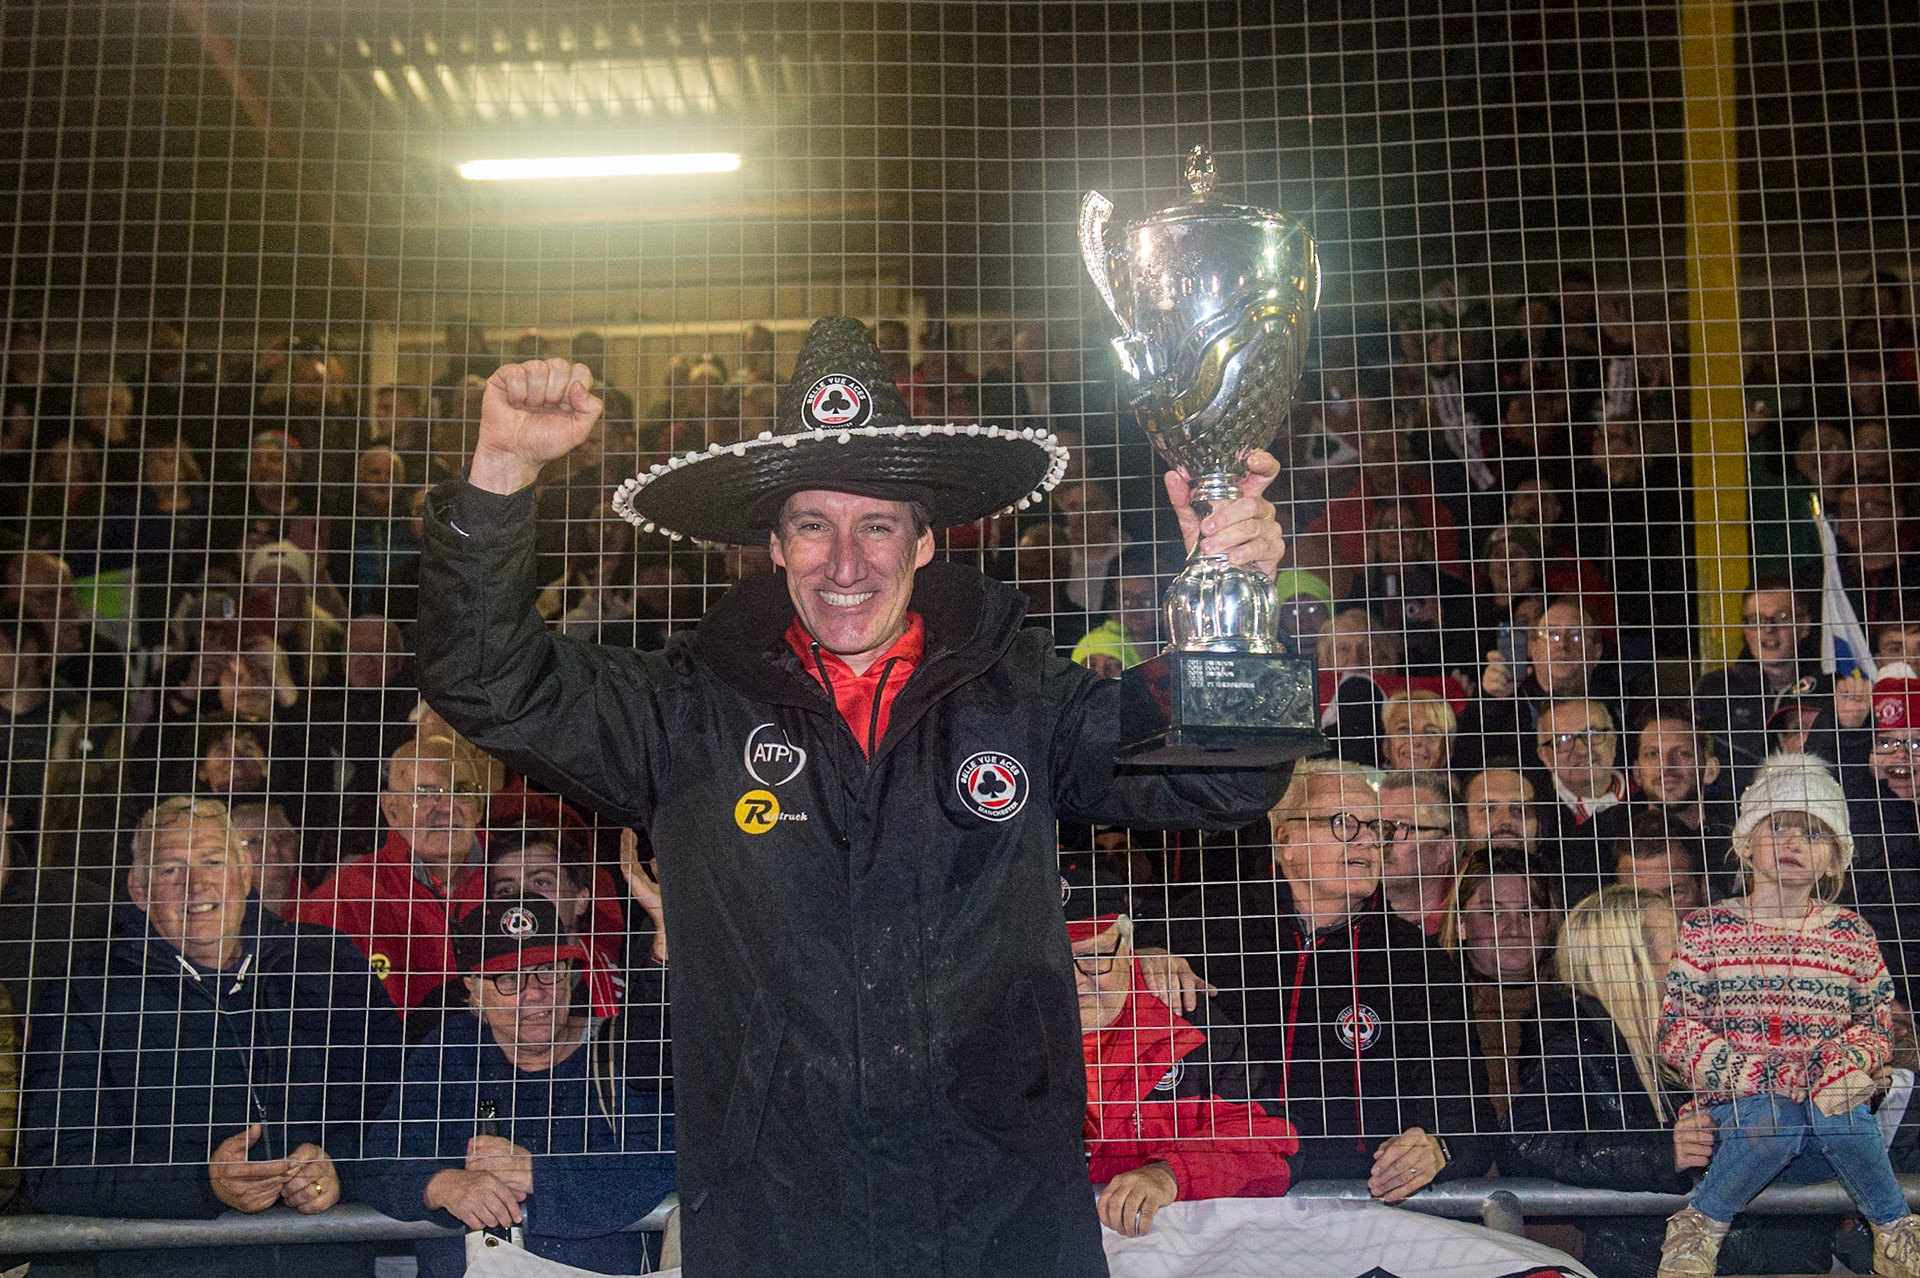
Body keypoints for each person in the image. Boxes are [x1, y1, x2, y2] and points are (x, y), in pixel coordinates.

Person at [412, 320, 1289, 1277]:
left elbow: (1222, 779)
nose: (845, 563)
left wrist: (1240, 611)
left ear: (923, 541)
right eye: (812, 526)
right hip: (776, 1220)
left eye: (876, 524)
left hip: (1002, 1218)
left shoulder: (1025, 692)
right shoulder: (684, 713)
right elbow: (487, 681)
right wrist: (500, 471)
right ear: (775, 547)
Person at [18, 796, 404, 1277]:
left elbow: (401, 1114)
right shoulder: (88, 993)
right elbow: (57, 1166)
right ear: (138, 891)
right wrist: (203, 1182)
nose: (195, 885)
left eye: (213, 862)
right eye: (170, 870)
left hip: (320, 1262)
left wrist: (338, 1169)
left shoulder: (330, 965)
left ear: (247, 875)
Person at [1163, 758, 1490, 1196]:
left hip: (1361, 1207)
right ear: (1285, 841)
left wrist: (1438, 1147)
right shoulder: (1202, 933)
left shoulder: (1418, 963)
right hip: (1214, 1194)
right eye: (1343, 823)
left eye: (1377, 828)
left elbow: (1469, 1113)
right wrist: (1143, 956)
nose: (1367, 842)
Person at [1655, 753, 1920, 1278]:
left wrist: (1848, 1061)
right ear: (1746, 843)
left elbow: (1876, 1023)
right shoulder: (1707, 929)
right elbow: (1677, 1028)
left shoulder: (1852, 934)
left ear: (1833, 861)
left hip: (1831, 1133)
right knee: (1774, 1117)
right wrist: (1758, 1075)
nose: (1794, 842)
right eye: (1777, 826)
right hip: (1742, 1127)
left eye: (1814, 834)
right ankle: (1698, 1227)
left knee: (1836, 1103)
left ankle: (1896, 1232)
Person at [357, 895, 676, 1278]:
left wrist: (538, 1174)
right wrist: (439, 1185)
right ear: (473, 989)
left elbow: (667, 1159)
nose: (535, 992)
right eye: (509, 978)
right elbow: (376, 1159)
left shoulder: (620, 1050)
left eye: (548, 969)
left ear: (571, 973)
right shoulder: (454, 1048)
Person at [1066, 878, 1295, 1239]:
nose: (1075, 979)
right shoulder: (997, 1039)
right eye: (1055, 958)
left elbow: (1270, 1141)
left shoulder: (1190, 1019)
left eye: (1094, 956)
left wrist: (1169, 1173)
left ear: (1129, 949)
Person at [1501, 886, 1701, 1278]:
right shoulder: (1578, 1042)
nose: (1690, 961)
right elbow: (1523, 1140)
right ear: (1630, 962)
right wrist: (1663, 1150)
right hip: (1637, 1261)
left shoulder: (1691, 1036)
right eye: (1674, 947)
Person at [292, 733, 494, 1024]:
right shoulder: (337, 904)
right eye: (424, 794)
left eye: (461, 790)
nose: (447, 807)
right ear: (391, 810)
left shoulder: (521, 875)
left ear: (478, 802)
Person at [1376, 769, 1459, 936]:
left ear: (1445, 849)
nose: (1381, 839)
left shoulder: (1469, 928)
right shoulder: (1345, 925)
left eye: (1401, 826)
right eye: (1375, 825)